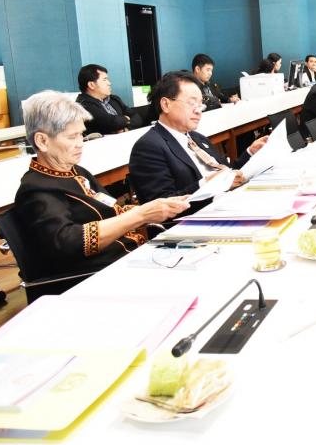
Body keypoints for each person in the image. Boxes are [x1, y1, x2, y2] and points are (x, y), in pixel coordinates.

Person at [14, 92, 189, 298]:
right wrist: (140, 215)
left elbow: (113, 209)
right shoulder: (36, 189)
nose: (80, 143)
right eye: (72, 137)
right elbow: (69, 242)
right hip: (95, 280)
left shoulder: (77, 172)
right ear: (42, 141)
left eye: (81, 135)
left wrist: (157, 208)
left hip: (127, 260)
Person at [129, 72, 268, 212]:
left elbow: (227, 172)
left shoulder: (197, 138)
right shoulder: (148, 147)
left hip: (231, 203)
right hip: (199, 217)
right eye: (192, 103)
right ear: (166, 105)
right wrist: (208, 185)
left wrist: (250, 153)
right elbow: (160, 207)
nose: (199, 111)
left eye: (201, 104)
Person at [75, 64, 142, 136]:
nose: (109, 83)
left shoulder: (114, 99)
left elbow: (137, 117)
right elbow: (111, 123)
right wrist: (126, 118)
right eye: (104, 80)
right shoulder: (83, 105)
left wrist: (126, 129)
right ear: (91, 85)